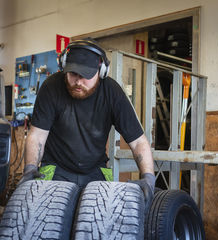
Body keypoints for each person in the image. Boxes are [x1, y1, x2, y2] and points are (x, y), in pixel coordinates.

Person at [21, 39, 156, 208]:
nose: (78, 82)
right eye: (73, 74)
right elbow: (37, 135)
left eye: (85, 76)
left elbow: (137, 141)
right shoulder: (51, 88)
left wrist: (148, 177)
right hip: (56, 169)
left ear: (101, 72)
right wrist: (30, 168)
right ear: (64, 67)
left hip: (95, 171)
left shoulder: (112, 93)